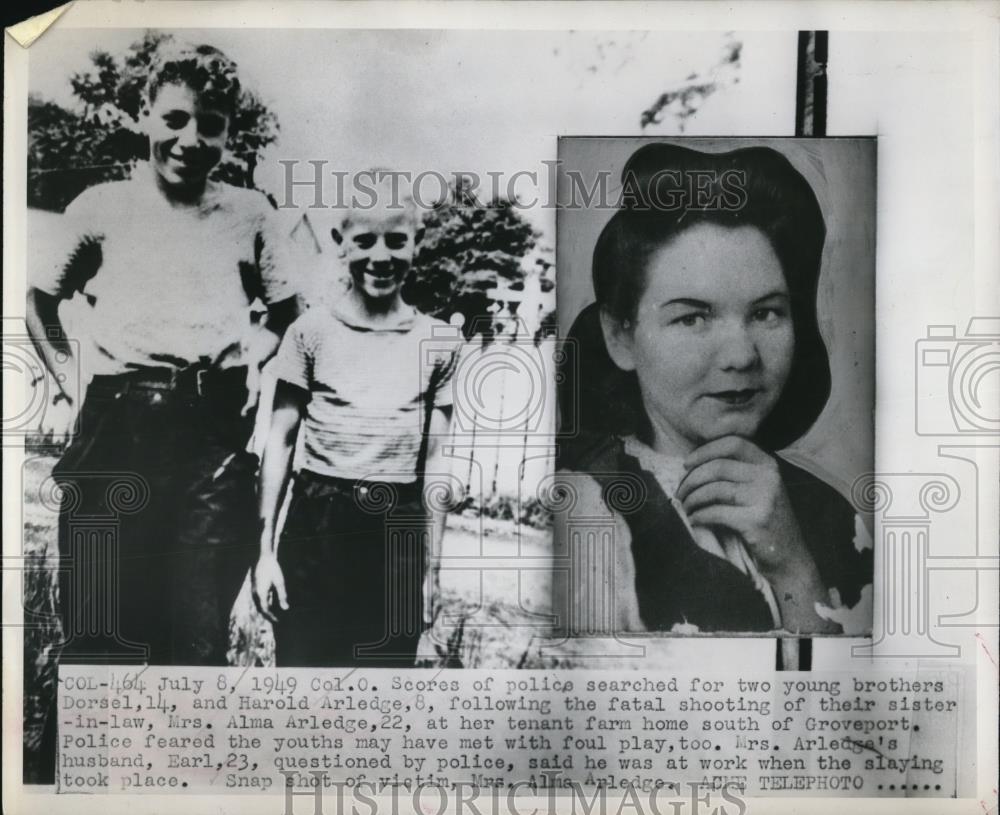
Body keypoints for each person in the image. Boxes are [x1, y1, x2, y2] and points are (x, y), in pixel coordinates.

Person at [26, 43, 298, 666]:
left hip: (210, 446)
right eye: (174, 119)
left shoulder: (251, 214)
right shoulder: (102, 207)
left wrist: (254, 356)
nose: (190, 140)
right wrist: (70, 380)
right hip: (115, 431)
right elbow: (39, 300)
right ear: (144, 114)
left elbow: (284, 312)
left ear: (230, 131)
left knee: (194, 644)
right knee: (99, 637)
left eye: (210, 125)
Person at [554, 143, 872, 636]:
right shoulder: (582, 509)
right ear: (621, 336)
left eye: (767, 312)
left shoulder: (831, 514)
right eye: (693, 317)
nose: (741, 356)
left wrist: (792, 566)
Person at [252, 174, 457, 667]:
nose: (381, 257)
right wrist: (264, 553)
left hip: (398, 526)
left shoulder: (440, 341)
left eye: (396, 241)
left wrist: (431, 574)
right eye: (364, 241)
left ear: (417, 244)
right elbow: (278, 442)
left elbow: (437, 460)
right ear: (340, 244)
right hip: (320, 519)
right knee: (306, 675)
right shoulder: (310, 332)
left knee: (385, 684)